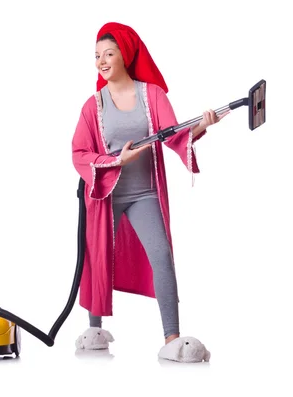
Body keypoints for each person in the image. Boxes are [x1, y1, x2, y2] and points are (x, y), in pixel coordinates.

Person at [71, 22, 228, 361]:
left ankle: (172, 338)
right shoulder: (92, 105)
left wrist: (203, 124)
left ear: (125, 55)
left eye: (108, 53)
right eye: (96, 56)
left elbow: (172, 135)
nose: (101, 61)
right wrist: (115, 160)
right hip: (105, 196)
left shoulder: (151, 95)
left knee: (162, 257)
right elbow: (80, 153)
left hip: (144, 194)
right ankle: (94, 329)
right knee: (95, 258)